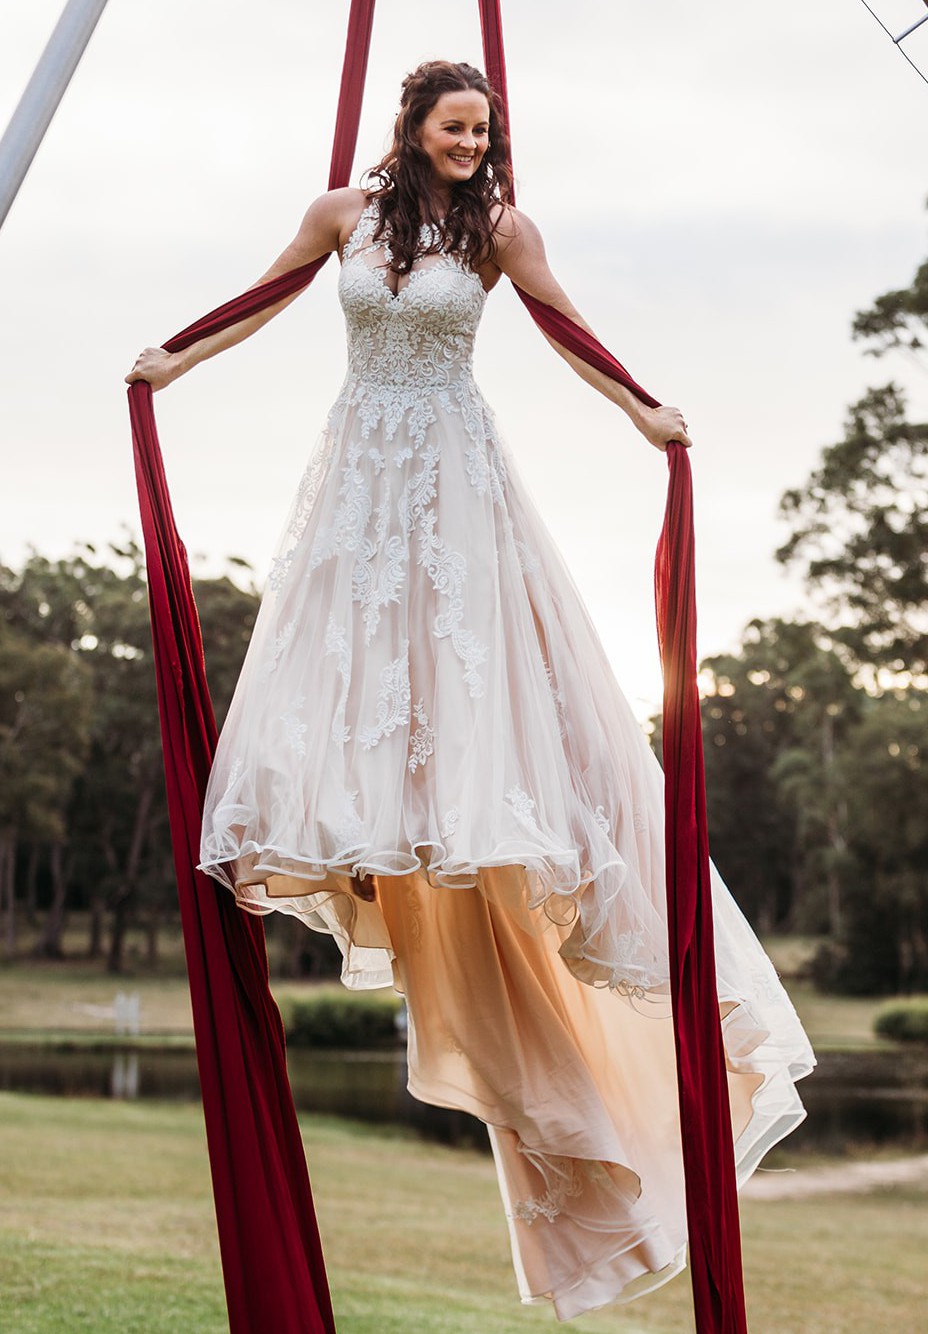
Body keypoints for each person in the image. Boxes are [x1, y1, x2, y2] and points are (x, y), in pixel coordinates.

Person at [128, 59, 814, 1322]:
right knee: (345, 678)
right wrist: (169, 359)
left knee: (470, 704)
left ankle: (479, 879)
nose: (470, 141)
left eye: (483, 128)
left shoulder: (499, 230)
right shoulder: (340, 214)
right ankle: (373, 853)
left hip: (451, 475)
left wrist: (644, 411)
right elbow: (263, 303)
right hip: (356, 478)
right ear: (414, 126)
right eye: (455, 125)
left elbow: (565, 330)